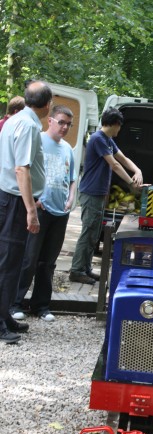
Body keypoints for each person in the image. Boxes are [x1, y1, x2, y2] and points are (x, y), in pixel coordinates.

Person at [11, 105, 76, 323]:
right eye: (61, 122)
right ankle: (15, 303)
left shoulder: (67, 149)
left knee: (48, 262)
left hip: (60, 212)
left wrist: (71, 199)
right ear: (50, 120)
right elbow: (22, 169)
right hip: (40, 210)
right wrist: (33, 200)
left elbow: (72, 179)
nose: (64, 127)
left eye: (68, 124)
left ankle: (41, 305)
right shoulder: (37, 140)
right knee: (29, 258)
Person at [0, 80, 52, 344]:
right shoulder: (29, 125)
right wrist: (31, 209)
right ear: (47, 104)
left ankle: (5, 315)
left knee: (11, 261)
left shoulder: (14, 119)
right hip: (14, 202)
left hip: (10, 199)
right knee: (8, 265)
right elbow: (22, 169)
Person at [69, 107, 143, 284]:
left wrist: (137, 170)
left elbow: (123, 158)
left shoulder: (108, 140)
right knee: (88, 233)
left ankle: (85, 268)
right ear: (115, 124)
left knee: (94, 234)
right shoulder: (98, 138)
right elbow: (115, 165)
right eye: (119, 126)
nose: (119, 130)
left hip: (99, 193)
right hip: (91, 193)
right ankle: (76, 270)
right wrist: (131, 183)